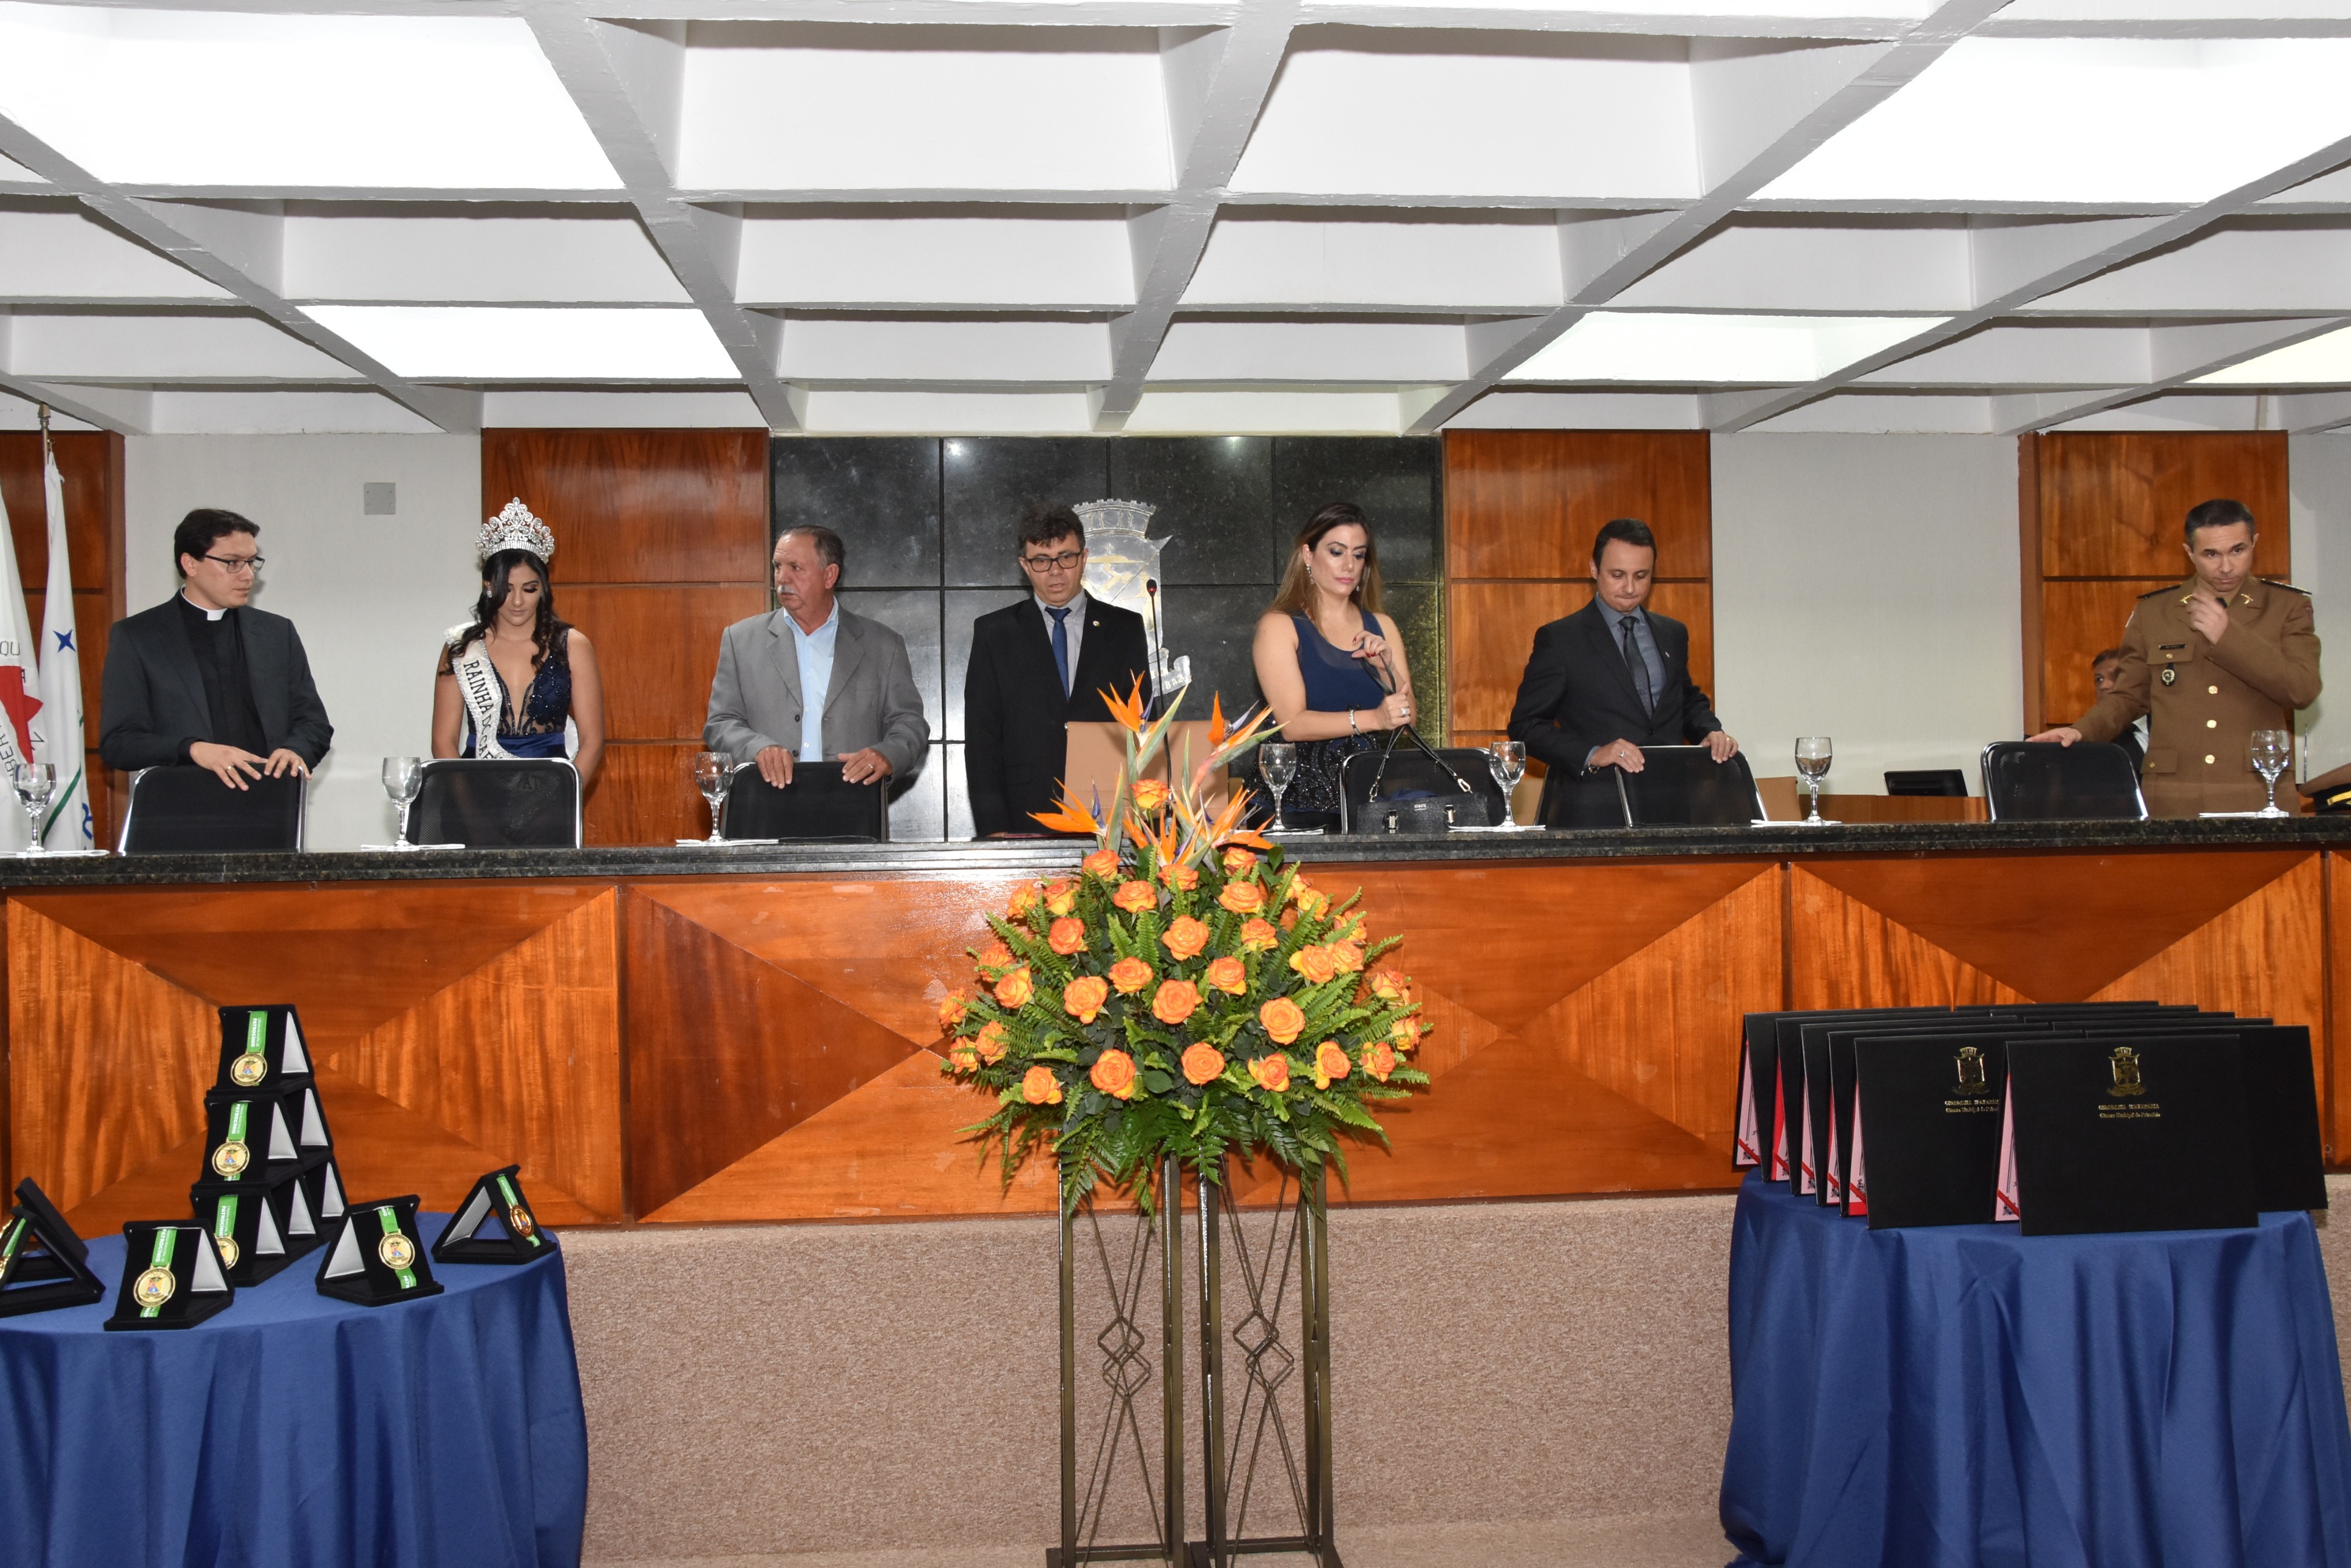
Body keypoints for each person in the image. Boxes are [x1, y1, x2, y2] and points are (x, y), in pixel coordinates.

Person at [2032, 498, 2319, 816]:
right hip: (2175, 794)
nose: (2226, 566)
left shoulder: (2286, 607)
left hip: (2256, 791)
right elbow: (2128, 697)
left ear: (2255, 543)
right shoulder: (2155, 611)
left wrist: (2228, 636)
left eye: (2238, 550)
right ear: (2189, 553)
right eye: (2211, 554)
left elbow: (2302, 690)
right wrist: (2081, 731)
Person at [1506, 517, 1737, 827]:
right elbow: (1526, 726)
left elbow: (1684, 700)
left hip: (1669, 807)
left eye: (1641, 576)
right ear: (1594, 569)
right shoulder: (1561, 639)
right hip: (1594, 811)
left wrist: (1710, 730)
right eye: (1618, 575)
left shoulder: (1673, 633)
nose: (1630, 588)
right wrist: (1592, 754)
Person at [99, 507, 332, 790]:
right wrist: (193, 749)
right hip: (184, 804)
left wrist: (295, 750)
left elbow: (314, 723)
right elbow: (119, 743)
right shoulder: (138, 636)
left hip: (268, 801)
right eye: (233, 563)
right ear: (190, 564)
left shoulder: (276, 633)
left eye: (251, 562)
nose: (248, 575)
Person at [964, 503, 1152, 838]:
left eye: (1066, 557)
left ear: (1084, 558)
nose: (1055, 572)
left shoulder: (1125, 628)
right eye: (1041, 560)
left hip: (1110, 814)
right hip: (1024, 814)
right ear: (1025, 565)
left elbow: (1143, 726)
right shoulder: (995, 633)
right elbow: (982, 740)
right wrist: (993, 829)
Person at [706, 524, 928, 788]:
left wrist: (887, 756)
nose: (782, 578)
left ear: (829, 575)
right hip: (766, 801)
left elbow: (910, 723)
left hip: (852, 801)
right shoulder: (741, 640)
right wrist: (757, 748)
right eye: (777, 567)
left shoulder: (883, 645)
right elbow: (720, 723)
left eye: (795, 568)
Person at [1250, 501, 1415, 828]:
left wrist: (1386, 669)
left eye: (1359, 555)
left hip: (1367, 799)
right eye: (1337, 552)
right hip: (1293, 804)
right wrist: (1374, 718)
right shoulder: (1279, 625)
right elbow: (1292, 725)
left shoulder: (1383, 625)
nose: (1349, 565)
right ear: (1308, 555)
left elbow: (1408, 720)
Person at [430, 499, 605, 786]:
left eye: (529, 589)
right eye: (506, 589)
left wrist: (563, 799)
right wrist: (469, 804)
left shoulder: (573, 645)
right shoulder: (462, 647)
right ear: (488, 586)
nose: (517, 601)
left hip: (551, 792)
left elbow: (593, 741)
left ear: (543, 588)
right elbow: (442, 742)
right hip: (476, 791)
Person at [2091, 647, 2143, 774]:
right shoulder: (2094, 738)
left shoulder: (2166, 727)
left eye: (2114, 676)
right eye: (2099, 679)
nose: (2103, 686)